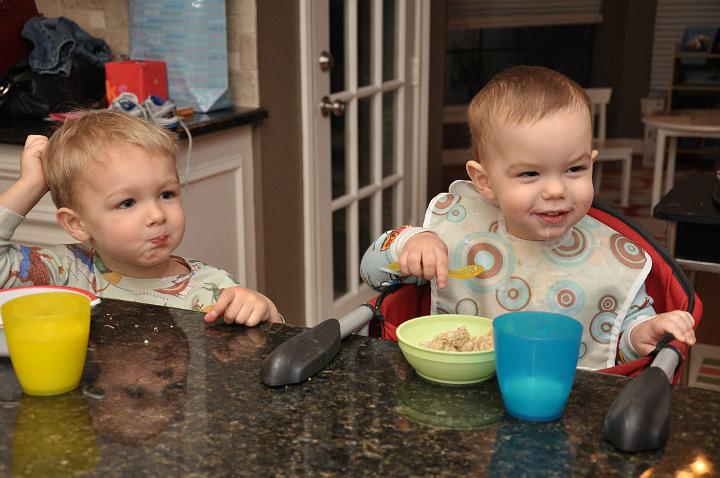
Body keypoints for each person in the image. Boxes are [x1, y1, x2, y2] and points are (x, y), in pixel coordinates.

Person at [361, 65, 696, 369]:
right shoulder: (457, 234)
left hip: (565, 406)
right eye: (530, 174)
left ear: (592, 163)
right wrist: (410, 243)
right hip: (461, 397)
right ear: (486, 182)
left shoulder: (613, 257)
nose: (555, 190)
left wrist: (642, 334)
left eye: (575, 169)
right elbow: (372, 275)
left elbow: (618, 345)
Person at [0, 110, 281, 326]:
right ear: (77, 224)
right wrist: (31, 185)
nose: (157, 215)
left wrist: (266, 311)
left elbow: (266, 348)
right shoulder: (64, 272)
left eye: (166, 194)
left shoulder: (211, 289)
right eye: (128, 202)